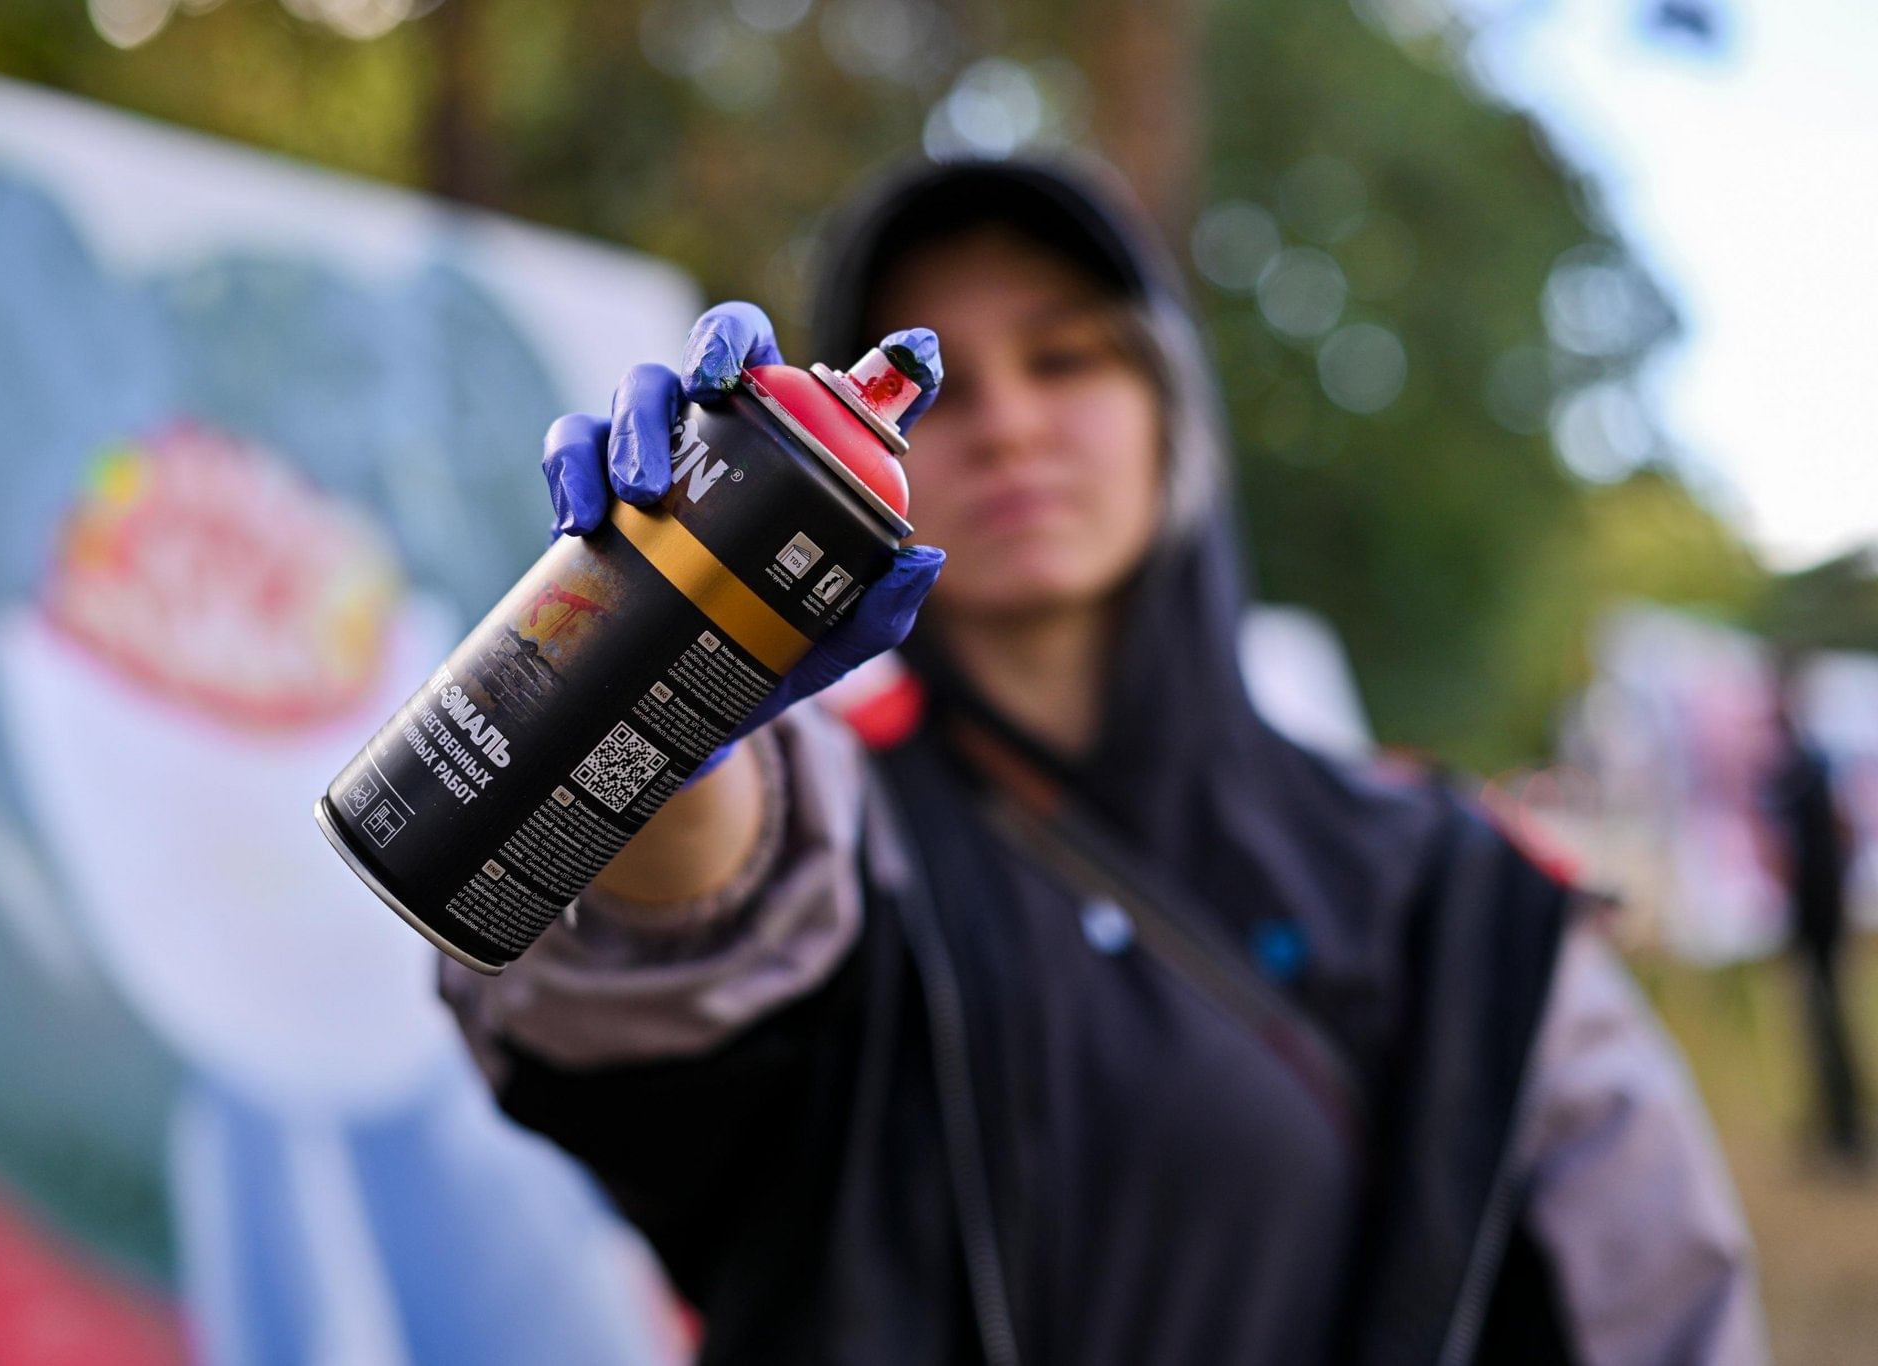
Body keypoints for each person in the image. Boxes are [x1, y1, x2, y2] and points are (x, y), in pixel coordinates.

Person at [441, 157, 1765, 1365]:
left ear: (1172, 409)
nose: (1009, 422)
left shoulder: (1452, 890)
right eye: (940, 388)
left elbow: (1656, 1308)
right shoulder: (829, 819)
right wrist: (659, 721)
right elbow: (684, 968)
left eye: (1068, 357)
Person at [1766, 663, 1868, 1169]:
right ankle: (1838, 1122)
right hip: (1819, 913)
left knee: (1824, 1018)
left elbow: (1834, 833)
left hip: (1817, 915)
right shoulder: (1813, 764)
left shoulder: (1797, 769)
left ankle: (1843, 1126)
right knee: (1821, 1018)